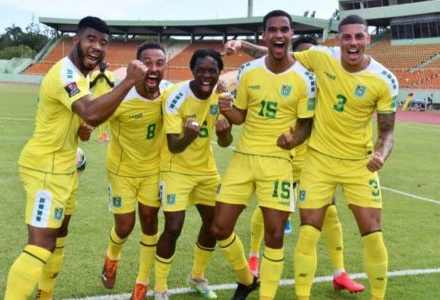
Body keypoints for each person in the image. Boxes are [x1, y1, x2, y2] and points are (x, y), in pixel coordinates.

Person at [4, 16, 146, 300]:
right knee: (42, 242)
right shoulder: (65, 73)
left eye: (103, 43)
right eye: (91, 39)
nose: (97, 47)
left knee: (59, 235)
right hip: (45, 167)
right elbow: (91, 111)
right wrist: (130, 80)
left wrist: (81, 129)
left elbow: (85, 118)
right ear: (76, 40)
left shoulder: (82, 75)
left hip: (65, 166)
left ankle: (46, 294)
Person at [225, 35, 365, 293]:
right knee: (270, 210)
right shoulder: (295, 73)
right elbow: (265, 54)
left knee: (330, 212)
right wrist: (241, 44)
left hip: (313, 156)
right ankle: (254, 256)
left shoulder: (326, 75)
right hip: (286, 153)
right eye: (304, 56)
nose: (309, 61)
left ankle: (339, 272)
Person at [292, 15, 397, 300]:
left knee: (373, 234)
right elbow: (279, 57)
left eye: (358, 37)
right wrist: (246, 48)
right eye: (346, 37)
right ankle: (303, 297)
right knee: (308, 232)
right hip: (318, 161)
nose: (353, 42)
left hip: (359, 164)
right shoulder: (320, 57)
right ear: (338, 39)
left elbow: (387, 133)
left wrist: (380, 153)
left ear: (368, 39)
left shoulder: (384, 80)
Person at [211, 10, 315, 300]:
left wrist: (293, 139)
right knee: (220, 227)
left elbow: (306, 124)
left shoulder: (305, 78)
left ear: (291, 34)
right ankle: (246, 278)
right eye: (273, 30)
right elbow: (241, 116)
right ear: (264, 36)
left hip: (278, 161)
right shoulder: (250, 71)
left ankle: (265, 296)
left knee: (275, 235)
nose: (278, 35)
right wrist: (226, 109)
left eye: (284, 29)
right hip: (244, 158)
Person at [153, 48, 233, 300]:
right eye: (201, 70)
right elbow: (173, 146)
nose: (206, 76)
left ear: (220, 73)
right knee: (173, 227)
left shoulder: (221, 96)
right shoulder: (176, 97)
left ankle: (197, 276)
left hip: (206, 170)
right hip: (175, 168)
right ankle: (160, 288)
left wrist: (223, 134)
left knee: (214, 224)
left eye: (212, 71)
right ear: (192, 71)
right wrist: (188, 136)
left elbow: (224, 141)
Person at [100, 41, 167, 300]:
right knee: (125, 226)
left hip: (153, 171)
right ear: (136, 66)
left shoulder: (169, 95)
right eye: (147, 62)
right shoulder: (121, 97)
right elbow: (93, 117)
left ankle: (141, 284)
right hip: (121, 172)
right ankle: (112, 257)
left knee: (150, 223)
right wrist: (83, 129)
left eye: (159, 63)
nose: (153, 68)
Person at [90, 60, 115, 142]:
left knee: (107, 117)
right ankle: (100, 135)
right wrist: (98, 77)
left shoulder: (109, 74)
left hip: (107, 97)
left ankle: (105, 134)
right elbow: (90, 85)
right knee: (98, 117)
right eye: (101, 64)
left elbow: (112, 85)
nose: (102, 66)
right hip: (97, 97)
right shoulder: (94, 73)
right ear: (99, 65)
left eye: (104, 64)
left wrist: (105, 77)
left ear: (106, 65)